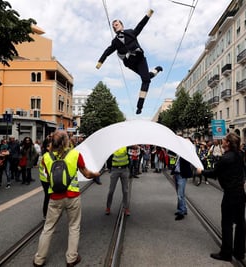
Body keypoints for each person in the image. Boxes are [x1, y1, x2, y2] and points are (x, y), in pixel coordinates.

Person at [33, 130, 100, 267]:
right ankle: (71, 258)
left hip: (55, 197)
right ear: (65, 141)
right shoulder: (75, 154)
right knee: (74, 227)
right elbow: (86, 174)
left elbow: (46, 176)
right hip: (72, 196)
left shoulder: (46, 157)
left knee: (48, 228)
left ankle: (39, 259)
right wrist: (96, 174)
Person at [96, 9, 163, 114]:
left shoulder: (131, 32)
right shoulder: (115, 42)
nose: (114, 25)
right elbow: (107, 51)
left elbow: (140, 26)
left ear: (121, 25)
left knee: (146, 79)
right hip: (130, 62)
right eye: (113, 25)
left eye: (116, 24)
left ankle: (139, 106)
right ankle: (157, 69)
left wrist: (148, 15)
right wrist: (100, 62)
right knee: (147, 77)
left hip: (140, 59)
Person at [202, 132, 246, 261]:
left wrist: (201, 171)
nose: (222, 141)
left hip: (231, 194)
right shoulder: (239, 154)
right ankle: (239, 252)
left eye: (224, 140)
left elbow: (214, 173)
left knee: (227, 223)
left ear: (228, 143)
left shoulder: (226, 158)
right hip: (240, 193)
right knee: (240, 222)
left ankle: (226, 253)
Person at [171, 139, 194, 221]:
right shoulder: (179, 151)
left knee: (180, 194)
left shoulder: (188, 152)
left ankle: (181, 212)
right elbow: (175, 162)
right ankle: (183, 209)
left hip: (182, 175)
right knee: (180, 193)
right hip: (177, 173)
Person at [106, 146, 130, 216]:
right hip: (115, 170)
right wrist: (109, 167)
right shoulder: (113, 146)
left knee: (125, 191)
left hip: (124, 170)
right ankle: (108, 207)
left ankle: (126, 208)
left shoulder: (126, 146)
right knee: (111, 190)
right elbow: (109, 156)